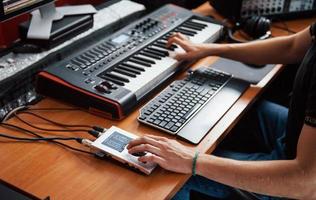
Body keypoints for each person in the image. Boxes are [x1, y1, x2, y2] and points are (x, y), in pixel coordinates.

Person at [127, 22, 316, 199]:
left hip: (297, 180)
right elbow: (292, 46)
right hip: (296, 133)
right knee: (244, 106)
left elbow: (306, 183)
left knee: (167, 174)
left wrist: (191, 161)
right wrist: (209, 49)